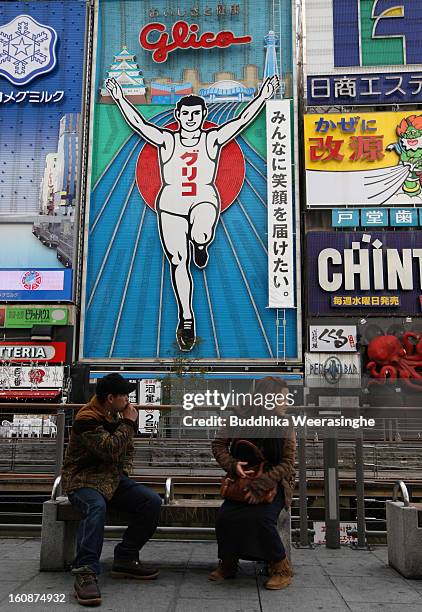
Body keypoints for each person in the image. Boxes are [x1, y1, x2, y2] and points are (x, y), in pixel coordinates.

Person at [106, 75, 279, 352]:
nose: (190, 118)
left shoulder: (212, 140)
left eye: (195, 114)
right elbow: (138, 124)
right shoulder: (166, 139)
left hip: (204, 199)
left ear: (202, 115)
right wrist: (119, 97)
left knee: (201, 232)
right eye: (185, 113)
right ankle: (186, 317)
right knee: (177, 261)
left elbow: (241, 121)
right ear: (178, 115)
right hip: (171, 204)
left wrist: (263, 97)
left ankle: (200, 244)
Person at [61, 373, 162, 606]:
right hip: (83, 480)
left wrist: (123, 473)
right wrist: (128, 422)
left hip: (112, 480)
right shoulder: (87, 417)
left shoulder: (115, 413)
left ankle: (126, 557)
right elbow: (109, 450)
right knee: (96, 507)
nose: (128, 400)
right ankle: (85, 571)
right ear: (110, 398)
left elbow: (127, 451)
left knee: (151, 501)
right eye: (124, 396)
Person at [210, 376, 296, 590]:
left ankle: (280, 566)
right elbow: (219, 445)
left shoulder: (286, 426)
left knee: (262, 518)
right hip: (242, 480)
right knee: (225, 516)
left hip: (274, 483)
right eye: (282, 398)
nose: (286, 403)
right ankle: (228, 562)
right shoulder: (237, 417)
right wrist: (233, 464)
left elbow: (287, 464)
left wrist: (262, 484)